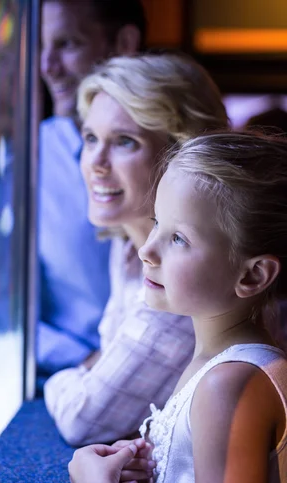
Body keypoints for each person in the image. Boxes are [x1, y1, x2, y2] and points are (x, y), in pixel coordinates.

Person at [69, 131, 287, 483]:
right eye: (155, 223)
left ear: (252, 275)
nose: (147, 249)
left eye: (178, 238)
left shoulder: (230, 384)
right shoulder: (215, 366)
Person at [44, 52, 228, 445]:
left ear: (181, 153)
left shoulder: (182, 282)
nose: (94, 162)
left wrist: (69, 375)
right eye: (90, 138)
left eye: (124, 142)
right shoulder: (129, 245)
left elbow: (84, 421)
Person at [37, 0, 146, 383]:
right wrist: (87, 360)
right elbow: (0, 312)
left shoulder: (182, 160)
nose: (47, 67)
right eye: (39, 46)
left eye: (67, 44)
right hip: (72, 381)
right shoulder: (24, 163)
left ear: (123, 43)